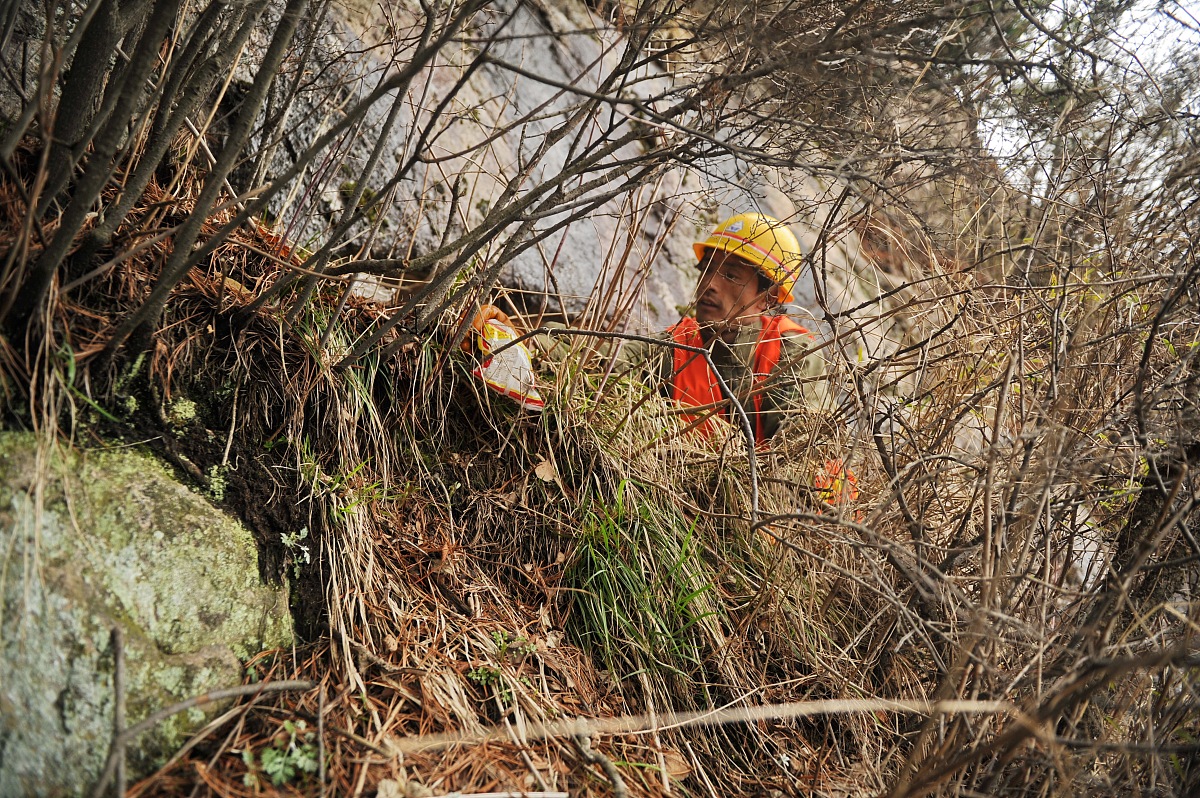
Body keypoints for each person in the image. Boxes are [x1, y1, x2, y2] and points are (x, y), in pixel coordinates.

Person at [472, 212, 827, 444]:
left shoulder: (794, 355)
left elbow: (797, 459)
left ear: (767, 298)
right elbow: (599, 358)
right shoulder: (677, 345)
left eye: (731, 275)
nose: (709, 284)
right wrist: (519, 337)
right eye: (707, 269)